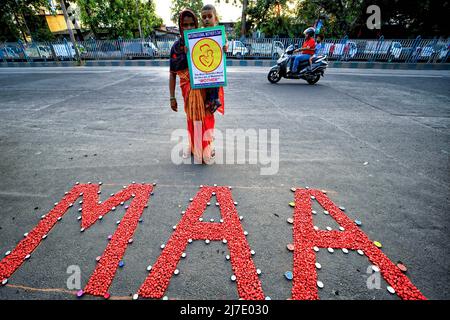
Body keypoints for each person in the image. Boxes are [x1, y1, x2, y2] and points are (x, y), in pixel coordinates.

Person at [169, 8, 224, 164]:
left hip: (204, 88)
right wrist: (172, 97)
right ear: (180, 26)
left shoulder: (201, 40)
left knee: (206, 116)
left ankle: (207, 146)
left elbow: (215, 58)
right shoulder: (175, 47)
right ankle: (194, 147)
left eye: (192, 24)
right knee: (192, 118)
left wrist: (223, 49)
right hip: (186, 88)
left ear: (196, 24)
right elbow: (172, 73)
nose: (188, 28)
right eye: (185, 25)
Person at [200, 4, 227, 113]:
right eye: (204, 17)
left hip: (215, 65)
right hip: (204, 65)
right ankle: (210, 100)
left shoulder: (219, 32)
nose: (206, 19)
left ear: (215, 18)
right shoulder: (198, 33)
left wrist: (225, 47)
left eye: (209, 16)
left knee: (214, 79)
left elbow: (225, 42)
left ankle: (214, 99)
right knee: (205, 80)